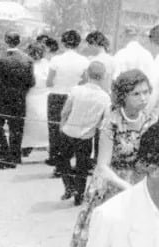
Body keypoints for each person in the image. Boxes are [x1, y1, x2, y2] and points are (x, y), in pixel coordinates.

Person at [68, 70, 156, 247]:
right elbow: (102, 166)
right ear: (123, 96)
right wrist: (128, 188)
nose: (143, 98)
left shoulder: (149, 121)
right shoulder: (112, 121)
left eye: (146, 92)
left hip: (138, 183)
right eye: (136, 94)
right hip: (110, 185)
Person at [57, 62, 111, 205]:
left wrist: (62, 124)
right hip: (86, 136)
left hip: (69, 131)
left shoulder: (76, 90)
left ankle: (69, 185)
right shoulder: (105, 98)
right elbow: (104, 121)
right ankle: (79, 195)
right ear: (104, 76)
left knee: (63, 160)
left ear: (87, 73)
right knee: (82, 166)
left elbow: (65, 111)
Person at [0, 31, 36, 169]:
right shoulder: (27, 59)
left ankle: (5, 157)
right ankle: (15, 156)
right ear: (19, 41)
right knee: (17, 128)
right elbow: (31, 82)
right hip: (20, 97)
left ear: (6, 41)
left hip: (1, 97)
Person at [46, 30, 89, 172]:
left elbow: (49, 82)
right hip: (75, 96)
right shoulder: (84, 61)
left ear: (63, 42)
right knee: (72, 129)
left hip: (57, 95)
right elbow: (85, 81)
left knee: (55, 129)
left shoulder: (56, 60)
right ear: (78, 43)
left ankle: (58, 162)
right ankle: (71, 160)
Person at [22, 42, 51, 152]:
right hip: (33, 94)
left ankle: (44, 144)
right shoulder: (28, 63)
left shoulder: (46, 64)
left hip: (42, 94)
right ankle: (28, 145)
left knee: (41, 121)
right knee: (32, 121)